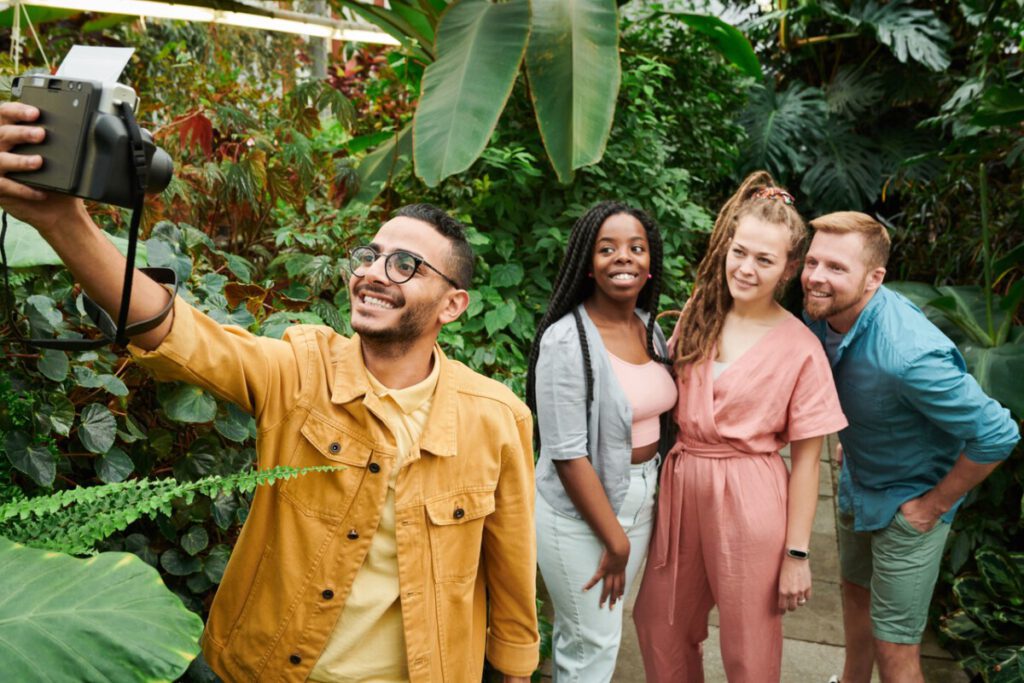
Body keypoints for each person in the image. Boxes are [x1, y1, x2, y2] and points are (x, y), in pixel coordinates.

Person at [0, 101, 539, 682]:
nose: (375, 272)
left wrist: (513, 673)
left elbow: (511, 581)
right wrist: (63, 223)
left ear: (453, 304)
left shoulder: (497, 419)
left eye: (406, 264)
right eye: (371, 255)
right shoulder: (299, 373)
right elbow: (179, 333)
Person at [633, 171, 848, 682]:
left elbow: (807, 464)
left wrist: (797, 553)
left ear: (789, 269)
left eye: (764, 260)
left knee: (748, 645)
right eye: (740, 252)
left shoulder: (801, 348)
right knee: (658, 622)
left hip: (751, 495)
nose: (746, 268)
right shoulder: (699, 314)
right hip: (683, 486)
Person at [801, 211, 1020, 683]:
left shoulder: (909, 354)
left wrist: (931, 507)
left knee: (896, 645)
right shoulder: (824, 310)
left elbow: (998, 432)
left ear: (874, 278)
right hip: (859, 480)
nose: (816, 277)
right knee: (855, 593)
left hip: (909, 503)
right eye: (812, 261)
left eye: (836, 267)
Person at [526, 201, 676, 681]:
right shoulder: (565, 341)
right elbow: (567, 455)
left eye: (637, 247)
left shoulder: (651, 329)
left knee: (589, 636)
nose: (624, 257)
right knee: (594, 643)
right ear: (587, 265)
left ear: (651, 264)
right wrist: (614, 540)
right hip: (581, 513)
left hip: (641, 497)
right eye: (606, 248)